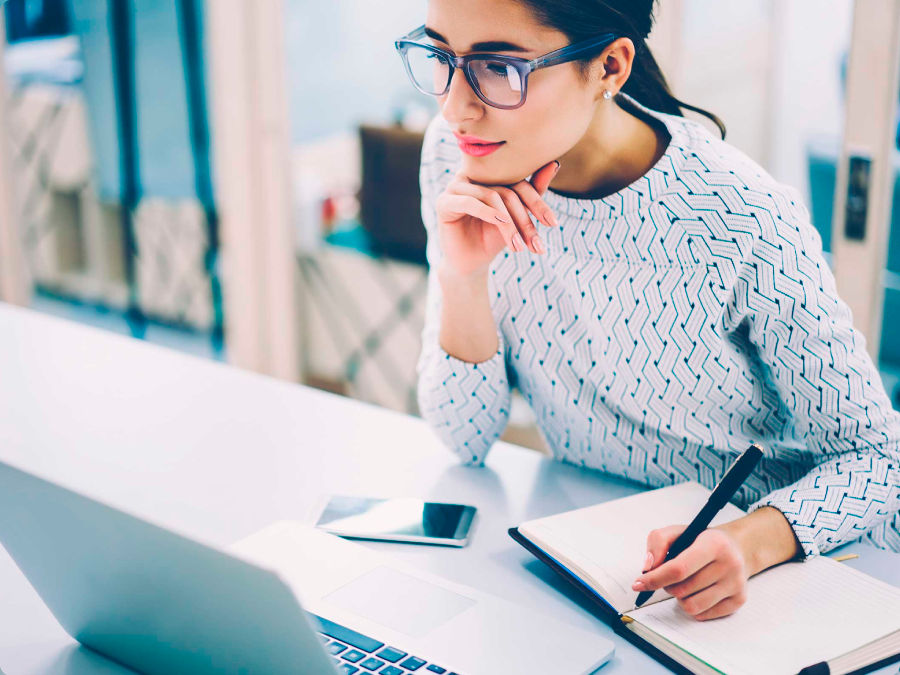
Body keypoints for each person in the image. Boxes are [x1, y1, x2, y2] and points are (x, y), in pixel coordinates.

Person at [402, 0, 900, 622]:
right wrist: (461, 277)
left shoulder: (740, 217)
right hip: (599, 565)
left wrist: (751, 542)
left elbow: (879, 458)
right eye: (442, 57)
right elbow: (463, 438)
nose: (454, 106)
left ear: (609, 66)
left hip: (790, 575)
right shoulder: (459, 157)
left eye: (500, 67)